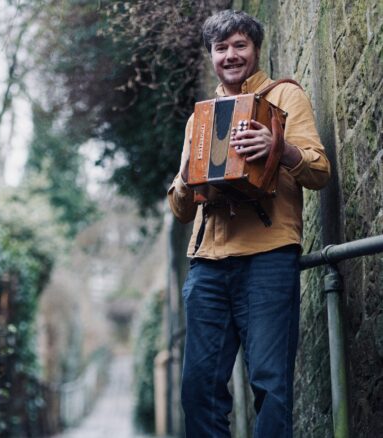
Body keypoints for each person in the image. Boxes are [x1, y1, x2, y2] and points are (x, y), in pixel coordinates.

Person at [168, 10, 331, 438]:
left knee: (271, 384)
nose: (231, 55)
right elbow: (182, 210)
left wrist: (279, 149)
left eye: (240, 45)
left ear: (256, 49)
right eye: (221, 48)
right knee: (197, 390)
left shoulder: (285, 98)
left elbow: (320, 171)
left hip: (268, 258)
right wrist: (186, 176)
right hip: (207, 264)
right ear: (211, 57)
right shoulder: (198, 120)